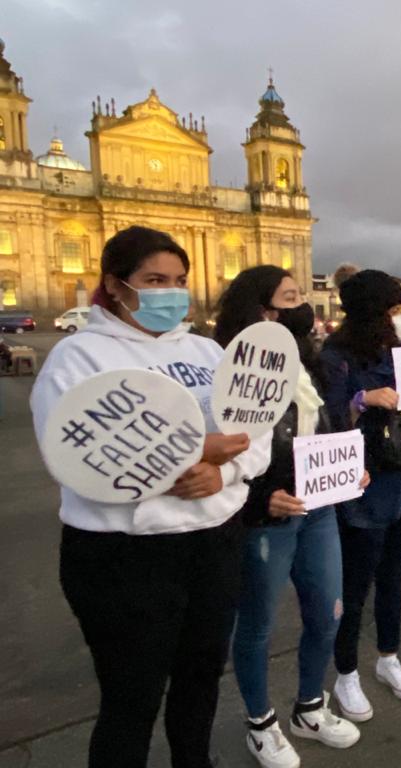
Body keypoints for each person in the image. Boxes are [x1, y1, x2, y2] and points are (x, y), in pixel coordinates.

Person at [30, 226, 271, 768]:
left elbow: (256, 438)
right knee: (130, 698)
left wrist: (225, 474)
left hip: (212, 544)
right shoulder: (78, 357)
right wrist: (192, 455)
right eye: (154, 280)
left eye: (180, 281)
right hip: (123, 556)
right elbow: (71, 460)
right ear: (116, 286)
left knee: (201, 679)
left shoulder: (208, 351)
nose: (171, 292)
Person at [215, 266, 361, 767]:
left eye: (301, 302)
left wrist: (349, 469)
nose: (297, 312)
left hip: (318, 509)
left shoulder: (309, 363)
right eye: (284, 302)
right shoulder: (229, 369)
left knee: (328, 613)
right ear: (256, 309)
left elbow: (328, 427)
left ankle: (309, 707)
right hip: (266, 519)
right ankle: (260, 722)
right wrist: (261, 500)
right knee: (256, 626)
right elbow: (223, 455)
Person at [320, 270, 401, 722]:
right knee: (355, 586)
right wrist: (362, 400)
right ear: (370, 312)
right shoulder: (336, 356)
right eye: (392, 311)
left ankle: (388, 655)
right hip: (365, 485)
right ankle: (346, 671)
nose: (399, 319)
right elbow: (328, 419)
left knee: (394, 575)